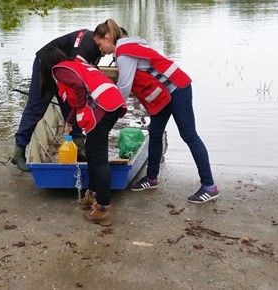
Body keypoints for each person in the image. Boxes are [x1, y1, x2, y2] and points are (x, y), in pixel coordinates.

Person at [93, 19, 219, 204]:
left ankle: (209, 186)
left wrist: (105, 107)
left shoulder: (123, 52)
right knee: (155, 132)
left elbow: (124, 88)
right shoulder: (130, 45)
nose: (99, 48)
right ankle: (151, 178)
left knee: (189, 135)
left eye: (100, 43)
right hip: (165, 92)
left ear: (108, 37)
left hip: (178, 88)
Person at [38, 45, 126, 226]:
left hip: (103, 107)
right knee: (93, 154)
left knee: (98, 157)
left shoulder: (59, 70)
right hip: (112, 103)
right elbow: (77, 96)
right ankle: (92, 194)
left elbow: (79, 88)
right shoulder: (72, 65)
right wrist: (70, 122)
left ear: (47, 63)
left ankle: (103, 208)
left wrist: (81, 112)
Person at [11, 29, 102, 172]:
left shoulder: (97, 46)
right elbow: (79, 79)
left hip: (64, 68)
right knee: (36, 108)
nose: (112, 53)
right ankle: (19, 151)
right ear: (105, 38)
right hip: (46, 65)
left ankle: (78, 145)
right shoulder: (87, 47)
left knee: (71, 104)